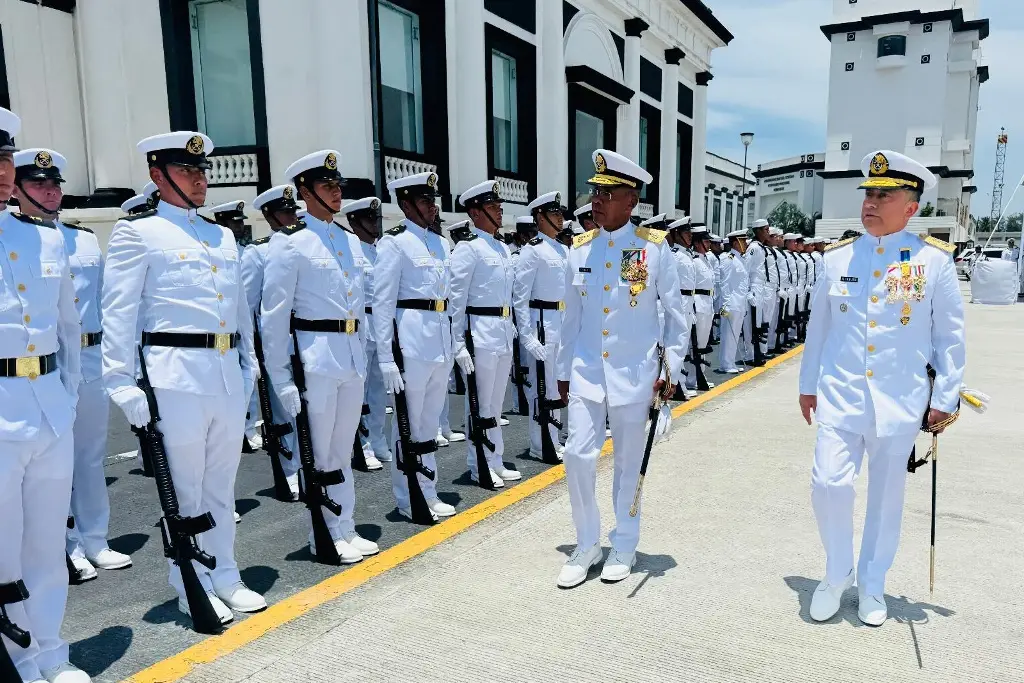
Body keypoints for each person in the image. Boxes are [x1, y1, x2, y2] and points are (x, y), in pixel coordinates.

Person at [102, 131, 265, 624]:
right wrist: (121, 380)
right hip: (175, 375)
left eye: (202, 170)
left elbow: (237, 307)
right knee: (186, 489)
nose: (200, 179)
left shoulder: (220, 235)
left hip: (225, 371)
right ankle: (189, 581)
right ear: (159, 175)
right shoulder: (138, 233)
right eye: (189, 171)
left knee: (222, 483)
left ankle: (227, 574)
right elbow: (119, 310)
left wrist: (248, 359)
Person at [799, 150, 965, 627]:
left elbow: (948, 336)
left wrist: (945, 398)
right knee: (828, 483)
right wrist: (808, 385)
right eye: (868, 194)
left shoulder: (932, 261)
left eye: (883, 195)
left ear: (910, 207)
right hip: (840, 395)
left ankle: (873, 583)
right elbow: (820, 329)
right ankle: (837, 572)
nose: (870, 203)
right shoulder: (837, 258)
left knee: (886, 499)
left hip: (900, 400)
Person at [555, 149, 687, 588]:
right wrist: (562, 370)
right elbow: (569, 318)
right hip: (587, 371)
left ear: (630, 201)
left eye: (608, 193)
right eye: (594, 191)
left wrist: (670, 372)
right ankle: (587, 541)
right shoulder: (579, 250)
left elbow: (674, 315)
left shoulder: (652, 249)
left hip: (636, 374)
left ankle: (625, 541)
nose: (597, 200)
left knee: (630, 463)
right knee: (577, 455)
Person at [0, 109, 94, 683]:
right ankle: (15, 660)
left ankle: (49, 652)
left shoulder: (43, 239)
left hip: (48, 405)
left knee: (44, 545)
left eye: (6, 159)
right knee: (3, 549)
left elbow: (69, 333)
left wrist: (69, 394)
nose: (3, 172)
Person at [11, 148, 133, 585]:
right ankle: (67, 545)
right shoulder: (15, 239)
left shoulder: (82, 239)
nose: (50, 192)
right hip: (42, 365)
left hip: (89, 357)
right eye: (40, 184)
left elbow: (105, 303)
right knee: (49, 462)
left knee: (89, 455)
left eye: (56, 184)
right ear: (18, 190)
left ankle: (96, 538)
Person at [261, 150, 378, 563]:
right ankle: (325, 532)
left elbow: (361, 303)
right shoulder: (289, 243)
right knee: (322, 450)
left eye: (337, 185)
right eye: (327, 186)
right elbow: (273, 320)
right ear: (305, 191)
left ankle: (345, 524)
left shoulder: (348, 240)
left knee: (343, 447)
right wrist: (282, 381)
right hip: (316, 356)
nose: (336, 192)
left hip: (349, 353)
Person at [374, 171, 456, 521]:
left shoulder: (441, 243)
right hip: (411, 343)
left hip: (440, 340)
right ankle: (408, 497)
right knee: (409, 424)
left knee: (429, 425)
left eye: (433, 200)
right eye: (424, 201)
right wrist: (386, 358)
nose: (432, 206)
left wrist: (456, 344)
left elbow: (448, 299)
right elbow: (382, 303)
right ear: (406, 204)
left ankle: (429, 489)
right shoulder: (394, 243)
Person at [451, 180, 519, 486]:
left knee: (495, 403)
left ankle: (495, 457)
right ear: (475, 212)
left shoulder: (502, 247)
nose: (499, 212)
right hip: (480, 333)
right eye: (492, 208)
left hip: (502, 331)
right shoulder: (468, 249)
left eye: (499, 207)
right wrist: (457, 344)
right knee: (479, 403)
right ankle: (478, 463)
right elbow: (456, 301)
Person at [243, 184, 303, 500]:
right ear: (269, 216)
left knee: (307, 411)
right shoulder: (257, 253)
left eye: (293, 211)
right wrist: (253, 350)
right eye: (284, 212)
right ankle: (289, 472)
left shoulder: (305, 244)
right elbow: (248, 305)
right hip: (276, 342)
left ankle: (308, 468)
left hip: (307, 338)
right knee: (281, 414)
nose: (291, 217)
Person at [513, 191, 569, 461]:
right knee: (541, 387)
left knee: (557, 385)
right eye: (555, 213)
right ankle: (539, 443)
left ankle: (555, 437)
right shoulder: (532, 251)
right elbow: (520, 298)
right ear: (541, 217)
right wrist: (527, 336)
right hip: (541, 324)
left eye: (560, 213)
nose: (560, 218)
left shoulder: (562, 249)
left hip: (560, 322)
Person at [343, 197, 388, 470]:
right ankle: (363, 445)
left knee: (379, 391)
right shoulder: (351, 253)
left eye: (377, 219)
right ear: (354, 222)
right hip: (361, 325)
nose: (375, 224)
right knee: (359, 392)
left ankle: (378, 439)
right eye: (370, 219)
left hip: (381, 326)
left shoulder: (382, 251)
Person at [666, 216, 696, 397]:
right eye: (686, 232)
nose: (690, 236)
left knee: (682, 346)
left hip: (688, 303)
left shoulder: (686, 255)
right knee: (675, 345)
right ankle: (676, 385)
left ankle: (680, 383)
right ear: (676, 234)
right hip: (679, 303)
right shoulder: (674, 256)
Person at [717, 230, 750, 374]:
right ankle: (725, 363)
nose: (746, 244)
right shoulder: (728, 259)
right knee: (728, 335)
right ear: (735, 243)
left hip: (739, 303)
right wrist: (724, 304)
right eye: (743, 241)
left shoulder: (740, 259)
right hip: (731, 303)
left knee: (735, 335)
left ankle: (730, 362)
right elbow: (724, 283)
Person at [686, 226, 716, 390]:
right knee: (695, 344)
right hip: (698, 303)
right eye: (705, 241)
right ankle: (692, 378)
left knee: (703, 344)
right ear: (697, 243)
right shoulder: (694, 261)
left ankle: (700, 375)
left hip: (707, 303)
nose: (709, 244)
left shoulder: (706, 259)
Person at [744, 219, 772, 365]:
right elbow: (746, 270)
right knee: (751, 324)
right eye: (766, 229)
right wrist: (748, 291)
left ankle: (757, 352)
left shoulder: (761, 247)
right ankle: (750, 355)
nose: (769, 232)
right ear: (759, 231)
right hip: (754, 287)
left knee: (758, 324)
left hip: (761, 288)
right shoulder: (753, 248)